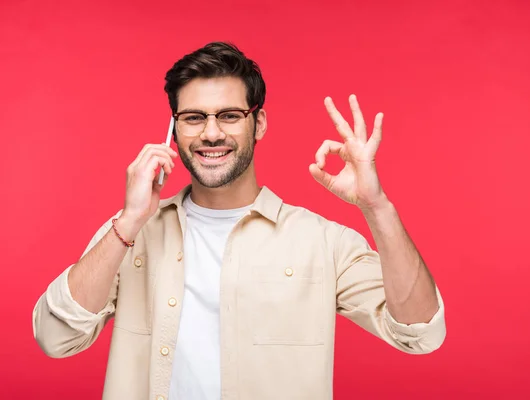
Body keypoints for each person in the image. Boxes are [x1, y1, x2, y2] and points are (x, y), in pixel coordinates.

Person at [32, 42, 446, 400]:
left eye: (229, 115)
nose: (211, 133)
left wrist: (377, 206)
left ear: (258, 123)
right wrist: (128, 221)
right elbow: (55, 338)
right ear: (173, 131)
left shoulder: (323, 242)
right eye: (193, 118)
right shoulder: (130, 234)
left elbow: (420, 334)